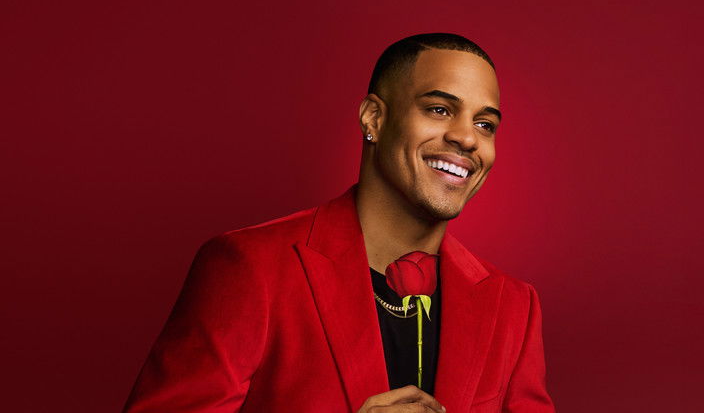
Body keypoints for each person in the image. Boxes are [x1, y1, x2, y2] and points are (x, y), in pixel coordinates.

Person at [124, 33, 555, 412]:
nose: (467, 137)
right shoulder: (250, 268)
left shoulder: (514, 307)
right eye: (440, 109)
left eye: (485, 124)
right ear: (374, 118)